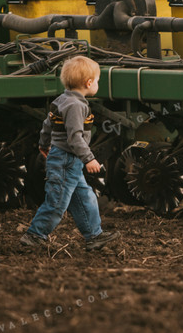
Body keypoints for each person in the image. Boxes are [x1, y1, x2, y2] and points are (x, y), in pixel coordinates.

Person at [20, 55, 120, 251]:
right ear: (89, 82)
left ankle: (94, 235)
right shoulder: (76, 106)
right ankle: (34, 235)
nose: (97, 84)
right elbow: (75, 138)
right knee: (57, 202)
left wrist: (44, 143)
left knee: (85, 198)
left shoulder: (62, 99)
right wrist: (89, 158)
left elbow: (46, 124)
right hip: (66, 159)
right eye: (98, 81)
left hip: (67, 159)